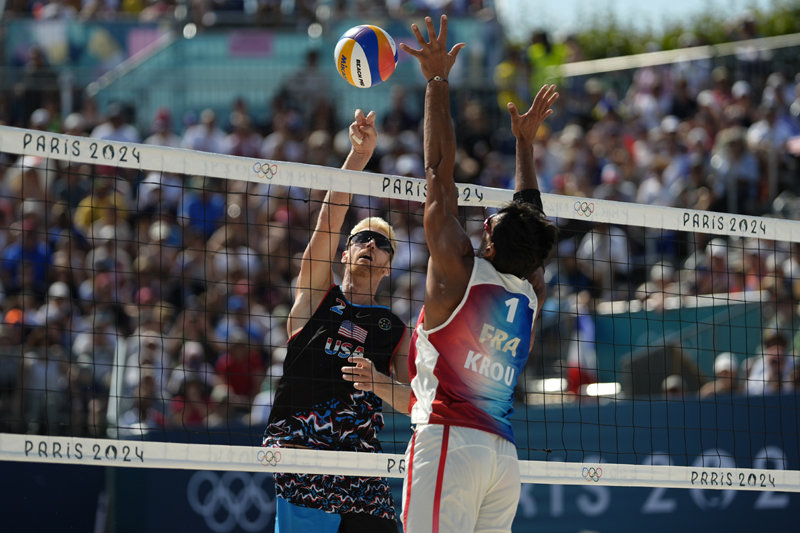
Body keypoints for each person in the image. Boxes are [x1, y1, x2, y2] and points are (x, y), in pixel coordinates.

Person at [348, 15, 557, 533]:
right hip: (501, 460)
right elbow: (529, 216)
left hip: (450, 441)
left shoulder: (460, 274)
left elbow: (439, 174)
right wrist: (523, 147)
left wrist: (437, 81)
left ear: (487, 236)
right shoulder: (530, 291)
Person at [262, 109, 410, 533]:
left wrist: (376, 383)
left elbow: (414, 404)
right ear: (345, 254)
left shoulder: (395, 330)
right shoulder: (316, 298)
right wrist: (357, 159)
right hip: (303, 458)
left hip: (361, 469)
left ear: (388, 266)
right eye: (361, 238)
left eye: (381, 243)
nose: (369, 244)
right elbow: (326, 226)